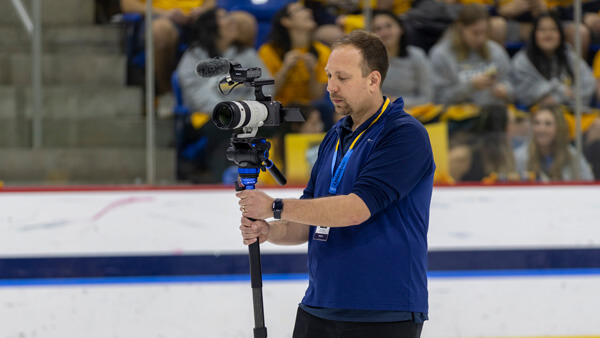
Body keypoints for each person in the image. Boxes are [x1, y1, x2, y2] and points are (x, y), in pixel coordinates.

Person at [238, 30, 435, 337]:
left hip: (383, 311)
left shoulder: (403, 134)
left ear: (373, 80)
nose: (330, 87)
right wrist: (270, 230)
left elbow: (356, 209)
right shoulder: (335, 136)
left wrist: (274, 206)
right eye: (329, 76)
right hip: (319, 306)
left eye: (342, 77)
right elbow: (306, 219)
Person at [175, 8, 270, 183]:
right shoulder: (194, 57)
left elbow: (265, 86)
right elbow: (199, 97)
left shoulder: (246, 54)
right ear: (211, 26)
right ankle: (223, 180)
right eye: (224, 17)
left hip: (247, 114)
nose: (232, 20)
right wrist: (232, 114)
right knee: (224, 132)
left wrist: (247, 111)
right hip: (207, 117)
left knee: (277, 122)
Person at [120, 0, 216, 115]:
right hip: (160, 17)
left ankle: (229, 95)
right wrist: (164, 13)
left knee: (238, 23)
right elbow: (128, 5)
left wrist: (204, 10)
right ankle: (166, 94)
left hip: (199, 18)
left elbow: (212, 2)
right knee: (160, 31)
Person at [430, 4, 513, 109]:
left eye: (484, 32)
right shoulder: (441, 55)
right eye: (475, 33)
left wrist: (505, 90)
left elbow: (513, 86)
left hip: (494, 111)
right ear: (461, 27)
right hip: (459, 117)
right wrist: (470, 86)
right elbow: (439, 99)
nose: (481, 38)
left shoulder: (495, 50)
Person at [258, 2, 330, 106]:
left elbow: (317, 97)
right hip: (278, 109)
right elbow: (266, 93)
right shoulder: (269, 51)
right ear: (286, 21)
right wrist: (285, 69)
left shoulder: (323, 51)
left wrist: (312, 72)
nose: (309, 11)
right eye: (299, 9)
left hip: (308, 111)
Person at [371, 10, 433, 108]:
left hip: (416, 114)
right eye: (378, 28)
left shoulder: (417, 56)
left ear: (401, 29)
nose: (384, 32)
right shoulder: (368, 61)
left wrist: (395, 101)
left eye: (388, 26)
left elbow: (428, 98)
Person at [514, 105, 594, 181]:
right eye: (537, 123)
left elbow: (589, 185)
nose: (541, 129)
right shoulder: (521, 157)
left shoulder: (572, 156)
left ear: (559, 128)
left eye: (548, 124)